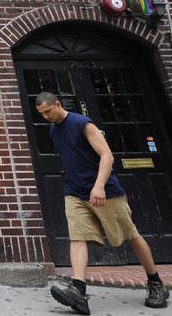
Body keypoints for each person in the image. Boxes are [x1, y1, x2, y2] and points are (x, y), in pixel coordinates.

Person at [34, 92, 168, 314]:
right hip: (74, 192)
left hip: (104, 192)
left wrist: (98, 186)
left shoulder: (82, 124)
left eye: (48, 111)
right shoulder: (53, 130)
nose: (46, 116)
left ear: (57, 104)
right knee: (77, 237)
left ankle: (155, 283)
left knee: (131, 235)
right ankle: (78, 291)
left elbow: (107, 156)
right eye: (42, 114)